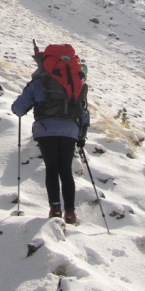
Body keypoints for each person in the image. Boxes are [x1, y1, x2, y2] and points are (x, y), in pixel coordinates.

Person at [11, 45, 90, 225]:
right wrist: (82, 137)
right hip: (70, 131)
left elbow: (19, 108)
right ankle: (70, 212)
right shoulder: (76, 81)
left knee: (52, 169)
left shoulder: (41, 81)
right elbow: (83, 112)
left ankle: (55, 209)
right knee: (66, 170)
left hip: (46, 129)